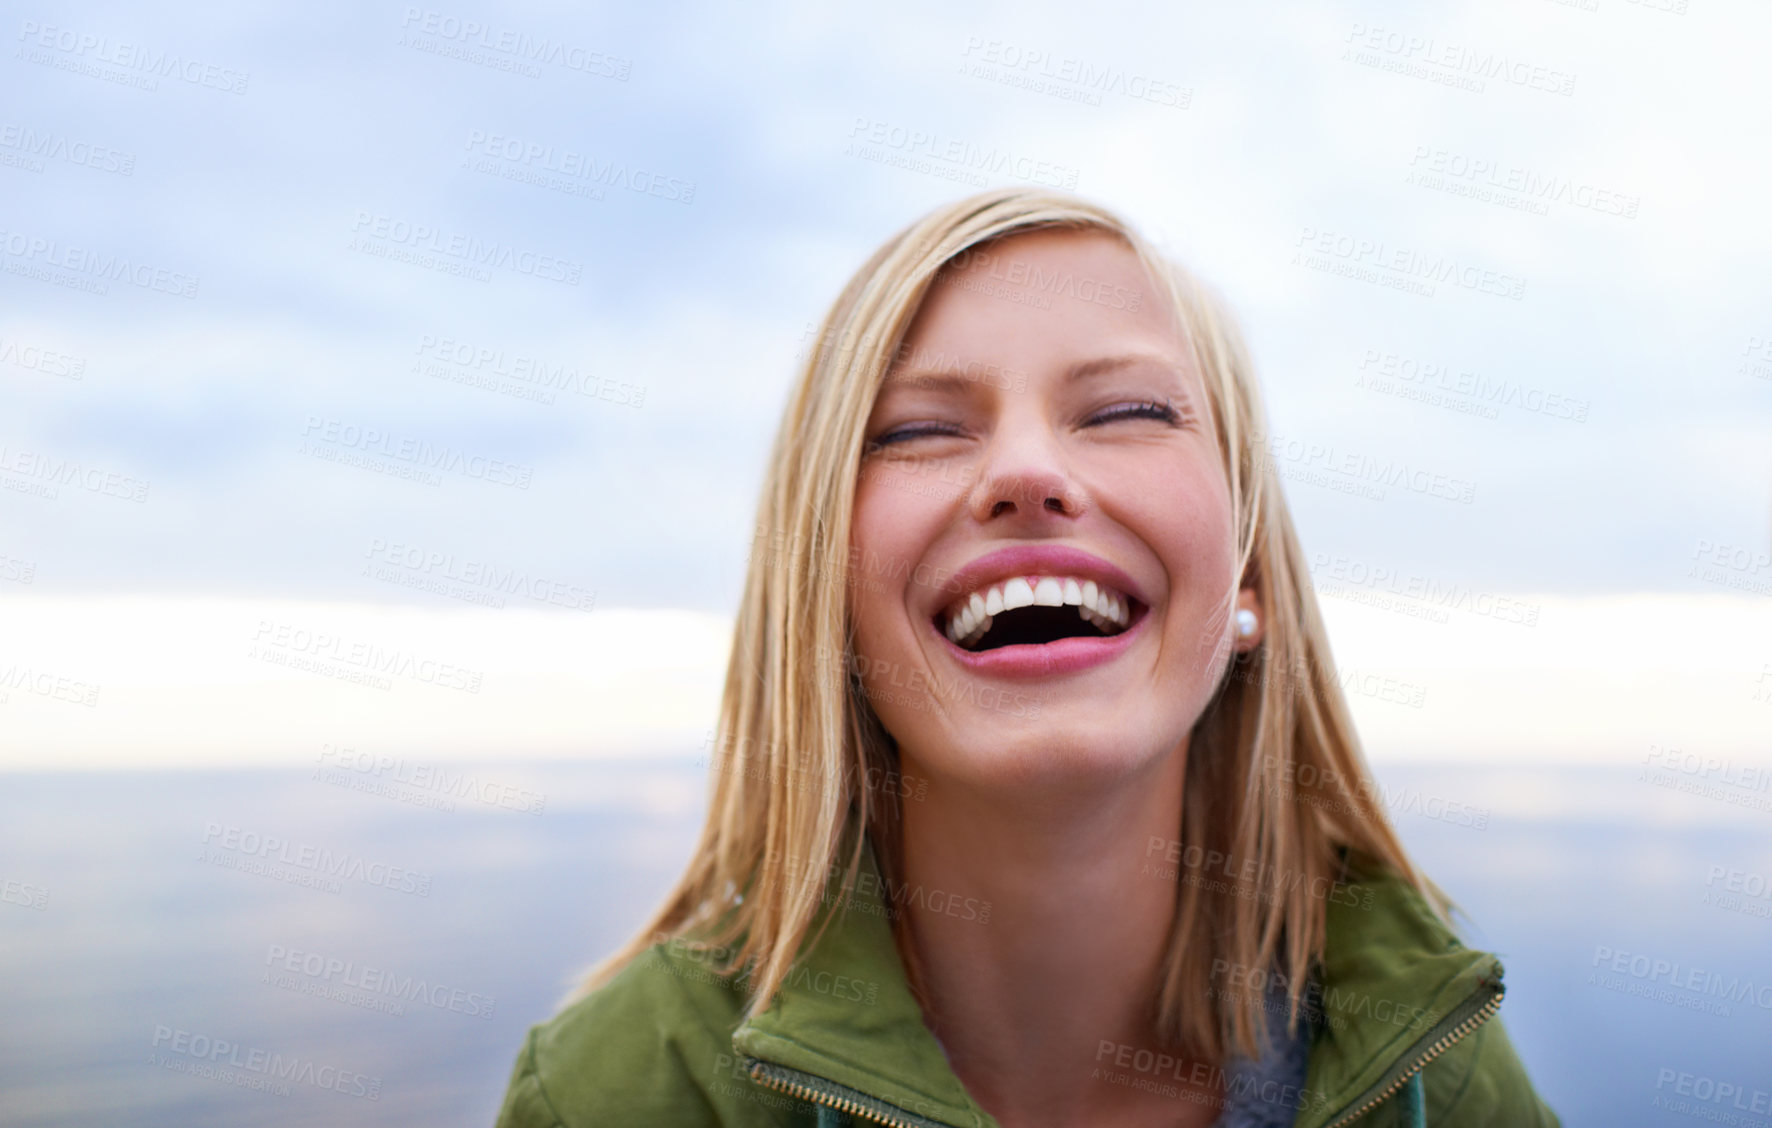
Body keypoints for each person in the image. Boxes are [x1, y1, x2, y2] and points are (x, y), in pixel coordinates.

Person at [493, 187, 1562, 1127]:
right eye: (916, 431)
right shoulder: (617, 1098)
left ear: (1249, 587)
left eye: (1128, 411)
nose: (1025, 468)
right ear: (824, 600)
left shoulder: (1436, 1080)